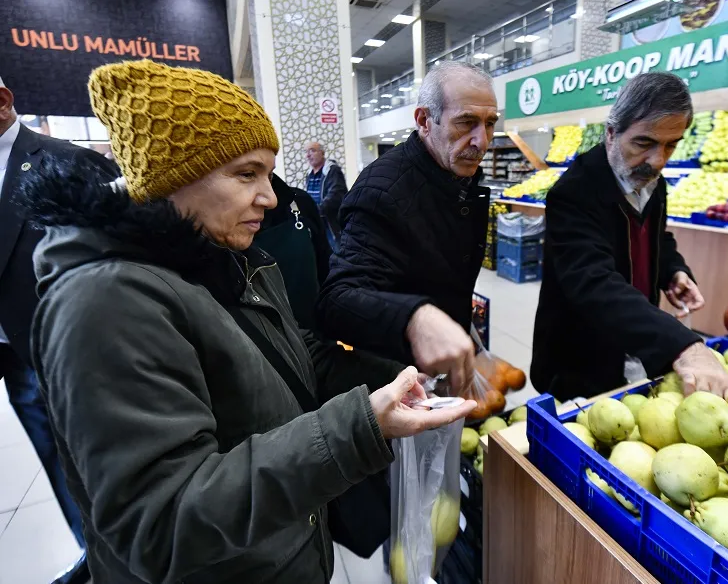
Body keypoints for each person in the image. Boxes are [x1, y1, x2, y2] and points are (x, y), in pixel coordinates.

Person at [21, 59, 475, 584]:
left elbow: (292, 357)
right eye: (246, 174)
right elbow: (163, 523)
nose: (273, 196)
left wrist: (403, 381)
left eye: (268, 172)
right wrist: (359, 428)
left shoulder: (226, 261)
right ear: (171, 176)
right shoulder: (104, 304)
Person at [531, 72, 728, 401]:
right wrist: (684, 343)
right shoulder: (574, 192)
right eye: (644, 143)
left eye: (671, 145)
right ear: (611, 133)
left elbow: (657, 238)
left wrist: (673, 271)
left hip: (637, 339)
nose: (658, 160)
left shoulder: (654, 183)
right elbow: (592, 283)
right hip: (581, 357)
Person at [316, 61, 498, 392]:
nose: (482, 141)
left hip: (442, 374)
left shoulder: (458, 177)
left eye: (489, 124)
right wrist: (414, 319)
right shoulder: (382, 191)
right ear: (425, 121)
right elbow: (338, 300)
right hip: (399, 384)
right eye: (466, 123)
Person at [0, 75, 117, 584]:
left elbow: (121, 249)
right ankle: (91, 556)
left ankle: (109, 560)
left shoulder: (66, 162)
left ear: (3, 101)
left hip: (54, 348)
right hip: (7, 351)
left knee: (85, 461)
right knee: (53, 460)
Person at [257, 174, 331, 329]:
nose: (270, 200)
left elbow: (326, 266)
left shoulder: (300, 202)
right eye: (247, 174)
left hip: (316, 330)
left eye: (270, 173)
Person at [304, 141, 348, 247]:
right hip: (317, 224)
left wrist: (315, 211)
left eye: (312, 151)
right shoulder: (309, 174)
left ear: (322, 153)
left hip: (332, 225)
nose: (308, 155)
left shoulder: (333, 171)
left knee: (337, 255)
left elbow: (335, 196)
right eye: (306, 152)